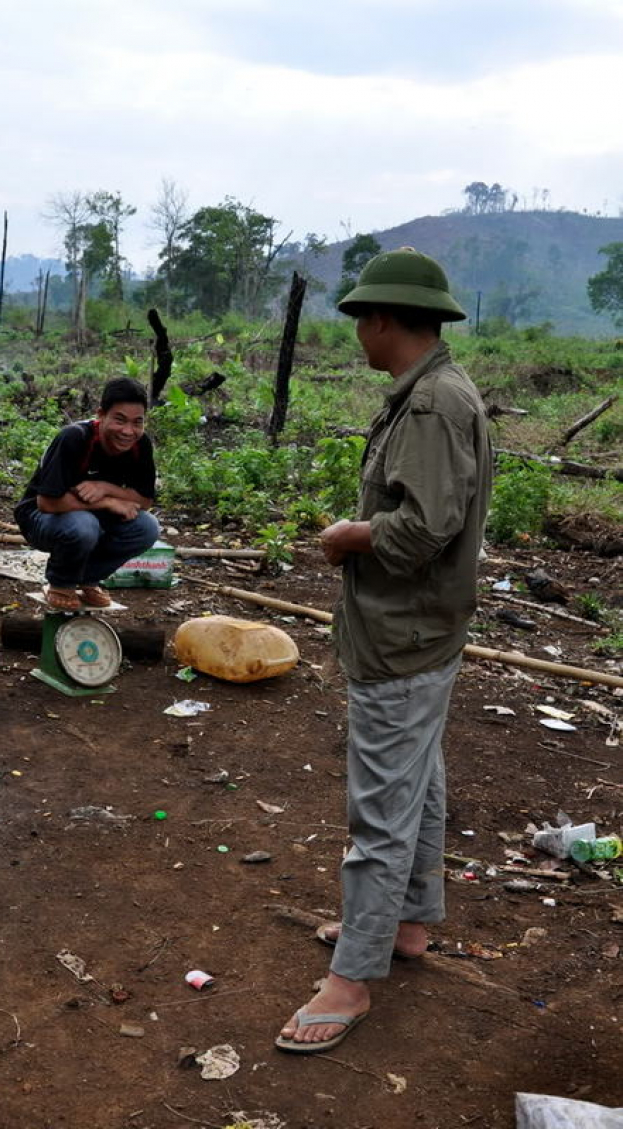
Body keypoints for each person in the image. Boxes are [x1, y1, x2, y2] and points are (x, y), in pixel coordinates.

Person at [276, 248, 492, 1053]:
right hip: (425, 629)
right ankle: (405, 923)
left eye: (361, 321)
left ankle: (352, 978)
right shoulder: (434, 393)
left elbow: (425, 527)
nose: (358, 335)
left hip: (403, 633)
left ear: (383, 320)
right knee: (418, 781)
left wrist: (350, 537)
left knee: (379, 812)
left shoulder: (432, 405)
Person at [15, 376, 160, 611]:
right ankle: (61, 582)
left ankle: (88, 578)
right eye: (120, 420)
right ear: (101, 414)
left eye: (137, 422)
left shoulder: (140, 444)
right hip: (40, 519)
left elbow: (144, 500)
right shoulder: (74, 438)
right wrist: (107, 503)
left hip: (86, 517)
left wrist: (105, 489)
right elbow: (47, 503)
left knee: (147, 527)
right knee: (83, 525)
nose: (128, 431)